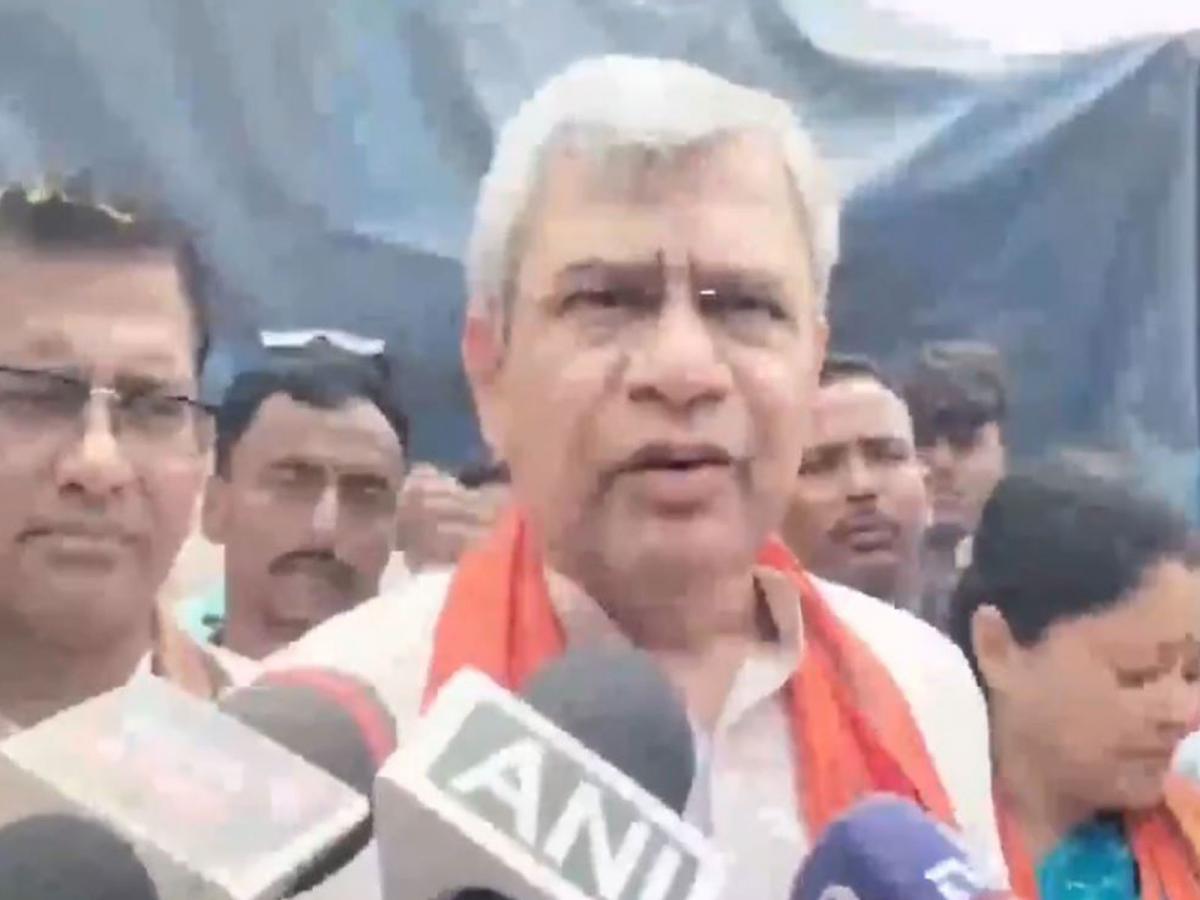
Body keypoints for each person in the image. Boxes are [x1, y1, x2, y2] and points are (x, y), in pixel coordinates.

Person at [274, 56, 1006, 898]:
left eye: (745, 305)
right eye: (608, 301)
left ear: (812, 366)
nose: (683, 369)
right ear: (490, 373)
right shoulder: (331, 748)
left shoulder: (922, 686)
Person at [0, 184, 221, 733]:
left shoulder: (280, 764)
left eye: (153, 406)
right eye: (35, 396)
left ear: (202, 447)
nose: (98, 465)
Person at [949, 464, 1200, 897]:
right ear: (997, 648)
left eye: (1193, 673)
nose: (1181, 714)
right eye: (1138, 673)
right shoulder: (914, 854)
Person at [200, 349, 409, 660]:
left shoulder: (444, 691)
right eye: (291, 484)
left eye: (365, 496)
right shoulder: (148, 687)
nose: (326, 528)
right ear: (215, 508)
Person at [781, 353, 930, 613]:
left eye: (887, 455)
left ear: (928, 484)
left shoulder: (978, 629)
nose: (860, 486)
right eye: (818, 465)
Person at [904, 340, 1009, 628]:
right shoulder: (860, 584)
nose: (942, 463)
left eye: (964, 440)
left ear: (1003, 449)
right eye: (920, 441)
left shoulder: (1039, 575)